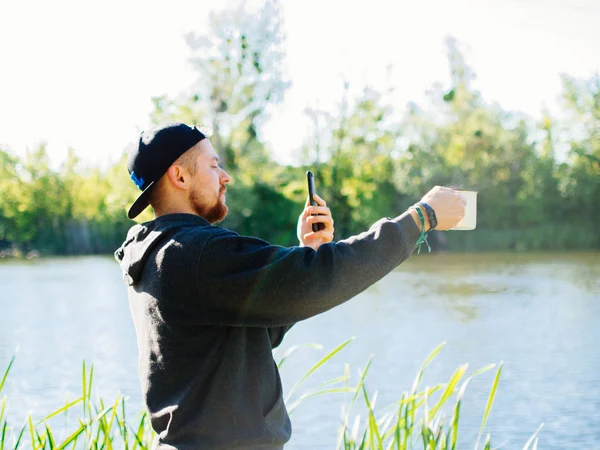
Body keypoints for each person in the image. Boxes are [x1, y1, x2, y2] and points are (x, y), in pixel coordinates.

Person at [114, 122, 466, 450]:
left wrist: (306, 253)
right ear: (179, 176)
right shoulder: (195, 253)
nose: (226, 177)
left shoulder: (159, 254)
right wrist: (420, 218)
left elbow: (251, 336)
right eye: (213, 165)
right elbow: (319, 280)